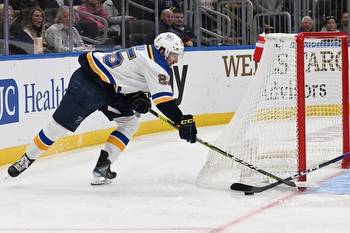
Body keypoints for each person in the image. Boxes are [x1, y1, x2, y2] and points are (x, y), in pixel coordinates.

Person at [7, 32, 197, 185]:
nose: (176, 60)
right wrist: (182, 120)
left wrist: (136, 96)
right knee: (58, 127)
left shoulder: (147, 52)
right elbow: (164, 102)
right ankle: (26, 159)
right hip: (89, 84)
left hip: (111, 89)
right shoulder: (157, 64)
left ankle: (103, 166)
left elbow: (128, 76)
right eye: (174, 55)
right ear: (163, 50)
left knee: (129, 123)